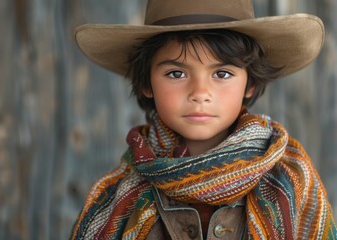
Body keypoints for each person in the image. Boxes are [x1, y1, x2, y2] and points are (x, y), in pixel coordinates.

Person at [71, 0, 337, 239]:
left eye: (221, 74)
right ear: (147, 83)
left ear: (250, 84)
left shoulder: (292, 183)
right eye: (176, 73)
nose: (200, 93)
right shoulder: (116, 197)